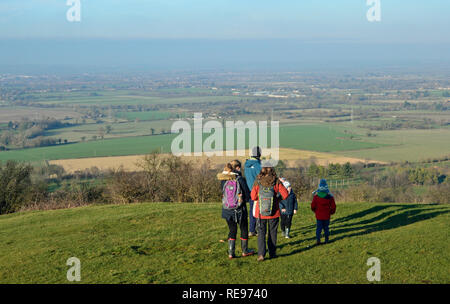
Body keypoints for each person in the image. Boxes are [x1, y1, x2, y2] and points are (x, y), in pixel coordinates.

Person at [218, 161, 255, 259]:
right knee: (243, 228)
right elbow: (247, 194)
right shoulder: (240, 179)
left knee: (232, 230)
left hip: (227, 209)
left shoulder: (223, 180)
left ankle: (231, 253)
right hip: (240, 209)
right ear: (237, 168)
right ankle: (245, 250)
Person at [251, 167, 289, 261]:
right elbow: (286, 194)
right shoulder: (276, 181)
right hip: (274, 211)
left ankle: (261, 255)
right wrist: (277, 200)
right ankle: (272, 253)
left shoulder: (258, 181)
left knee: (261, 233)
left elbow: (253, 197)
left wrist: (260, 199)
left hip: (260, 212)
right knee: (272, 232)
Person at [311, 179, 336, 245]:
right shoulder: (330, 197)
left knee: (318, 228)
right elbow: (333, 207)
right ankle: (326, 240)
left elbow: (313, 206)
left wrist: (315, 211)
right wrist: (331, 212)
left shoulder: (316, 197)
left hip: (319, 215)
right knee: (326, 228)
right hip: (327, 215)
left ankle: (318, 240)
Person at [244, 146, 262, 237]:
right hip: (258, 190)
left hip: (249, 190)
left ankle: (251, 230)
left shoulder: (246, 164)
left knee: (252, 210)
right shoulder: (258, 165)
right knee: (259, 210)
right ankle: (259, 229)